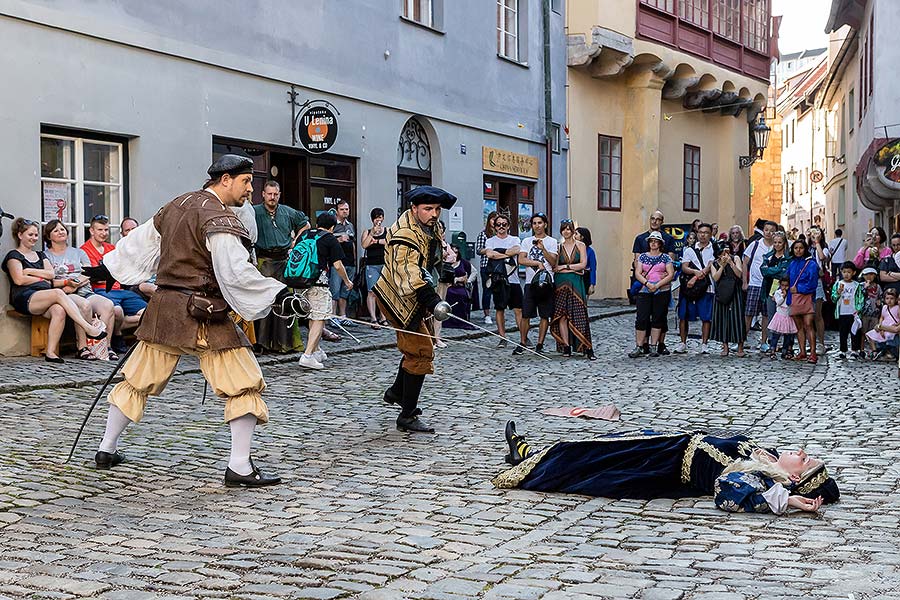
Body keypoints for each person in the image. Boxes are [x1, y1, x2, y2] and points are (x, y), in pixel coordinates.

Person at [85, 154, 285, 486]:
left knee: (137, 379)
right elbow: (235, 272)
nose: (251, 189)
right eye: (246, 181)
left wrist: (108, 265)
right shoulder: (217, 218)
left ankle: (107, 447)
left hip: (164, 311)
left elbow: (138, 244)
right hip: (203, 314)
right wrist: (276, 294)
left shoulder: (177, 204)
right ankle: (239, 467)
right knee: (244, 384)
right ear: (224, 180)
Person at [494, 422, 838, 515]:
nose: (802, 451)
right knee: (591, 446)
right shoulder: (768, 456)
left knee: (584, 460)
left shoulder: (757, 476)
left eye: (806, 460)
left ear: (794, 477)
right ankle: (526, 452)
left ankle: (524, 458)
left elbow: (729, 490)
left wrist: (785, 500)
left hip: (663, 463)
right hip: (667, 443)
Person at [373, 186, 455, 434]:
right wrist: (433, 300)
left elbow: (437, 254)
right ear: (414, 208)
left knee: (415, 348)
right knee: (421, 351)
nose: (434, 214)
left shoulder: (433, 227)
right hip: (397, 296)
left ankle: (397, 392)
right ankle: (406, 415)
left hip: (417, 296)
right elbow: (407, 273)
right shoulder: (403, 235)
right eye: (428, 209)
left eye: (437, 209)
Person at [3, 218, 107, 362]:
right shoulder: (13, 256)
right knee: (58, 293)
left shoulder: (40, 255)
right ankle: (88, 328)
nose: (34, 238)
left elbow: (51, 275)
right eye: (30, 235)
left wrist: (28, 271)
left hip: (45, 295)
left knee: (59, 310)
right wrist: (41, 278)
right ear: (20, 235)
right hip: (25, 296)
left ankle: (50, 352)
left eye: (36, 235)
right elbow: (19, 280)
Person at [43, 219, 117, 360]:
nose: (60, 232)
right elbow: (50, 281)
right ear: (48, 236)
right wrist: (67, 287)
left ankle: (104, 346)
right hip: (64, 293)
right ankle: (82, 348)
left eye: (62, 229)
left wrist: (75, 284)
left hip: (84, 290)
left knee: (108, 305)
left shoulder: (79, 252)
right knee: (84, 305)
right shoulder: (46, 255)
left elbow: (88, 273)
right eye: (56, 230)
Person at [252, 180, 309, 353]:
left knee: (286, 303)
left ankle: (285, 344)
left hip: (284, 263)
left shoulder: (287, 212)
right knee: (264, 303)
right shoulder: (254, 212)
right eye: (269, 194)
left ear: (279, 195)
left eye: (275, 194)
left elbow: (305, 224)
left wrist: (295, 242)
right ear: (263, 194)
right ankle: (261, 343)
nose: (272, 197)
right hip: (263, 263)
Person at [80, 215, 148, 354]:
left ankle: (117, 331)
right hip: (101, 291)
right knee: (117, 312)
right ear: (92, 231)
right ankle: (116, 338)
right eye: (100, 230)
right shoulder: (84, 250)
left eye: (106, 230)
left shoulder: (112, 248)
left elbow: (123, 271)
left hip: (121, 290)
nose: (104, 233)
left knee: (148, 314)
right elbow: (94, 278)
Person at [296, 212, 354, 370]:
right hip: (318, 284)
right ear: (332, 227)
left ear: (316, 224)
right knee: (320, 317)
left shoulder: (305, 235)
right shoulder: (329, 238)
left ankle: (315, 350)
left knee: (312, 317)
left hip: (300, 283)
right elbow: (338, 265)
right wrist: (347, 282)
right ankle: (307, 355)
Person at [632, 210, 676, 355]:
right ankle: (641, 345)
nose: (655, 221)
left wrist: (657, 284)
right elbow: (636, 265)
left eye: (658, 219)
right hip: (645, 287)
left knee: (659, 317)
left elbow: (670, 270)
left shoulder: (668, 241)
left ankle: (656, 345)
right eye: (653, 218)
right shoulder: (640, 240)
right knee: (642, 317)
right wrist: (646, 281)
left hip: (661, 288)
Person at [551, 219, 594, 360]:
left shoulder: (580, 245)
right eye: (563, 229)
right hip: (561, 283)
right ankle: (566, 346)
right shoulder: (559, 247)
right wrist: (568, 269)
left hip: (576, 283)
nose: (566, 231)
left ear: (572, 231)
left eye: (568, 229)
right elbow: (555, 268)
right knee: (562, 315)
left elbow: (583, 264)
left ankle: (587, 346)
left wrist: (566, 267)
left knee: (579, 313)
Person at [516, 213, 558, 355]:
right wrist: (536, 263)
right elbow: (521, 260)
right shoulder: (527, 241)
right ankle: (523, 342)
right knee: (526, 314)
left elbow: (553, 262)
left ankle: (540, 344)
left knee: (544, 315)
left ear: (545, 224)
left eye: (539, 223)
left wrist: (543, 250)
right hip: (530, 282)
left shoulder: (552, 241)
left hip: (547, 282)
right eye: (534, 223)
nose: (537, 226)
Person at [676, 223, 715, 354]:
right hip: (689, 288)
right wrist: (694, 272)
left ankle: (704, 344)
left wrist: (697, 276)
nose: (703, 235)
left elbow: (710, 265)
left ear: (710, 234)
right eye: (700, 232)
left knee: (706, 316)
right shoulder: (689, 250)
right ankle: (682, 342)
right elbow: (684, 267)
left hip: (706, 286)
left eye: (706, 232)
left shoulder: (714, 248)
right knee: (684, 315)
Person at [484, 215, 522, 346]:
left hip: (513, 279)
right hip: (498, 279)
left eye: (504, 224)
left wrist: (498, 253)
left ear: (508, 226)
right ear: (494, 227)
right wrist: (507, 254)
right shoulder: (490, 241)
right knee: (500, 309)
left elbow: (516, 250)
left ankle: (523, 337)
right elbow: (490, 254)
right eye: (498, 224)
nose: (501, 227)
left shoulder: (514, 239)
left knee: (518, 309)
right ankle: (502, 337)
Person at [742, 221, 776, 352]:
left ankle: (764, 341)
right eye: (766, 230)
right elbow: (745, 262)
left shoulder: (777, 246)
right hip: (755, 284)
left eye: (771, 230)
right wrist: (745, 281)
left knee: (767, 314)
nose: (769, 233)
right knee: (749, 313)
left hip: (770, 285)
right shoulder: (755, 245)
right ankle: (742, 340)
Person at [710, 244, 746, 357]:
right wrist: (722, 265)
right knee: (722, 318)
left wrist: (731, 263)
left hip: (735, 290)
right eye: (722, 253)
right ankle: (725, 345)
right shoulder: (714, 263)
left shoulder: (736, 258)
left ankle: (740, 346)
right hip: (721, 291)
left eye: (727, 251)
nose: (725, 255)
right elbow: (715, 278)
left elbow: (739, 274)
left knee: (737, 318)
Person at [787, 239, 819, 363]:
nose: (798, 250)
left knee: (808, 325)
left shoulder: (811, 264)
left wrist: (798, 289)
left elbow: (813, 283)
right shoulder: (792, 263)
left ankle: (813, 352)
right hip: (794, 298)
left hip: (807, 298)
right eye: (796, 248)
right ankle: (802, 351)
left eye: (801, 248)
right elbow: (787, 279)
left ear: (805, 249)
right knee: (799, 326)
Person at [760, 232, 791, 355]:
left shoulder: (788, 257)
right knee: (772, 316)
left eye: (780, 242)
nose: (777, 245)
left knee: (786, 316)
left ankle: (787, 345)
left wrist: (772, 270)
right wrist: (776, 270)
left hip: (784, 289)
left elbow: (784, 273)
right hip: (770, 290)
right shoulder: (768, 256)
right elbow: (764, 271)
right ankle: (772, 343)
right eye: (775, 242)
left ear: (784, 243)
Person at [831, 261, 864, 360]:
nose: (846, 274)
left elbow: (860, 298)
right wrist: (837, 293)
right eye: (844, 272)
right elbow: (833, 298)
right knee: (843, 332)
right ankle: (843, 350)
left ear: (853, 273)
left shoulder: (856, 285)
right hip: (842, 312)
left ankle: (854, 350)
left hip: (853, 312)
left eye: (849, 272)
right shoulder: (838, 284)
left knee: (855, 332)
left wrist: (859, 309)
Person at [361, 207, 388, 327]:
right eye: (376, 218)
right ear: (373, 219)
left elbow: (389, 242)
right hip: (371, 265)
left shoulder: (387, 230)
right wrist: (372, 233)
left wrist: (376, 241)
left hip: (384, 264)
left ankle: (383, 317)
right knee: (371, 291)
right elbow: (364, 245)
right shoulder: (367, 232)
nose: (379, 220)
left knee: (383, 292)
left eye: (380, 217)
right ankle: (373, 318)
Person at [330, 199, 356, 325]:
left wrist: (355, 260)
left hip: (350, 262)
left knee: (345, 291)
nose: (345, 211)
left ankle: (343, 316)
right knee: (334, 290)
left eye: (347, 209)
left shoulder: (350, 225)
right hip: (337, 262)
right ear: (337, 211)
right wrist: (338, 239)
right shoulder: (333, 224)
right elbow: (326, 239)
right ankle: (333, 317)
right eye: (342, 209)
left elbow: (353, 243)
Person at [807, 227, 831, 355]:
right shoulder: (805, 248)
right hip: (806, 282)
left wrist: (817, 244)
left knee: (817, 314)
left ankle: (821, 343)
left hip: (817, 282)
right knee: (807, 315)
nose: (814, 235)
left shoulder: (824, 248)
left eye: (817, 234)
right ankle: (810, 342)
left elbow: (822, 257)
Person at [442, 244, 477, 330]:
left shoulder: (463, 263)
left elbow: (474, 272)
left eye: (456, 253)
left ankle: (461, 321)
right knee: (448, 295)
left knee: (462, 296)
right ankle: (447, 321)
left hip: (460, 288)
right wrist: (456, 279)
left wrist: (468, 281)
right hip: (448, 287)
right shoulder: (444, 263)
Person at [474, 211, 497, 325]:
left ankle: (499, 312)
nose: (495, 222)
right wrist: (488, 250)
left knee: (499, 291)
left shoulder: (500, 235)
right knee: (487, 290)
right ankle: (487, 314)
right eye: (493, 219)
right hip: (486, 265)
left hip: (499, 266)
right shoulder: (484, 234)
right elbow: (478, 250)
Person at [767, 277, 797, 359]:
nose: (784, 287)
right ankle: (772, 350)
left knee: (788, 336)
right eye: (782, 285)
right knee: (776, 335)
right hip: (780, 316)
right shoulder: (777, 293)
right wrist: (783, 296)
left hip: (788, 317)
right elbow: (779, 302)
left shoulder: (790, 293)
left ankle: (785, 350)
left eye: (786, 285)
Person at [866, 288, 900, 360]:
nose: (889, 300)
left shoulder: (897, 308)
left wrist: (897, 324)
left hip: (891, 328)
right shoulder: (884, 307)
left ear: (896, 299)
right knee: (870, 334)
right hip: (883, 327)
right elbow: (882, 317)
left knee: (889, 337)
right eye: (887, 298)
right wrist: (880, 326)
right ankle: (874, 351)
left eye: (892, 298)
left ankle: (889, 353)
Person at [860, 267, 882, 358]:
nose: (869, 276)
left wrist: (880, 302)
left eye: (871, 274)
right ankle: (861, 349)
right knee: (863, 332)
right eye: (866, 275)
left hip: (874, 312)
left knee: (873, 331)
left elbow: (881, 296)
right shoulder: (861, 285)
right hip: (864, 312)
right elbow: (860, 296)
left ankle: (873, 350)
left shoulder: (878, 287)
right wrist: (865, 288)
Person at [575, 227, 596, 298]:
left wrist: (592, 284)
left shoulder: (590, 251)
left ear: (582, 237)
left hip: (584, 278)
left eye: (576, 234)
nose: (574, 236)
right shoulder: (573, 249)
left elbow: (593, 269)